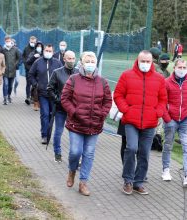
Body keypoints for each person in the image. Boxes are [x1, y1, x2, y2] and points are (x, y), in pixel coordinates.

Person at [114, 50, 167, 195]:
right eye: (142, 61)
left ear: (152, 62)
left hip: (150, 123)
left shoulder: (159, 79)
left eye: (148, 61)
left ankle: (138, 182)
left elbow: (163, 99)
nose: (145, 64)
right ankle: (128, 181)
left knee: (144, 153)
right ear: (137, 61)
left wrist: (158, 113)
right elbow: (118, 95)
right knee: (131, 148)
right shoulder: (126, 75)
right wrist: (126, 109)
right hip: (130, 121)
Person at [61, 51, 112, 196]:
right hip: (76, 123)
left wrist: (102, 114)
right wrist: (75, 112)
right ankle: (72, 170)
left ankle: (83, 182)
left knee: (89, 153)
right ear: (81, 63)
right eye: (87, 61)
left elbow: (108, 101)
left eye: (92, 61)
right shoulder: (73, 79)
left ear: (96, 63)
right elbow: (65, 99)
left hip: (94, 124)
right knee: (75, 151)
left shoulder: (103, 82)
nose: (90, 64)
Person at [29, 44, 62, 144]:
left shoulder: (57, 63)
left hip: (54, 94)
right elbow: (31, 74)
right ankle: (44, 135)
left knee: (52, 115)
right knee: (45, 114)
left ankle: (49, 133)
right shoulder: (38, 62)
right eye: (46, 50)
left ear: (53, 52)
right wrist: (36, 84)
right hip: (42, 93)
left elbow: (62, 75)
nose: (48, 52)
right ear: (43, 51)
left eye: (50, 51)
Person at [161, 59, 187, 186]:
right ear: (174, 68)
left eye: (184, 67)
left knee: (186, 147)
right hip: (171, 120)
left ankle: (186, 174)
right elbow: (161, 102)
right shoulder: (166, 82)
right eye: (180, 67)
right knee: (168, 145)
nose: (182, 70)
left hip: (185, 120)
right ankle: (166, 170)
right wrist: (168, 119)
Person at [47, 50, 76, 162]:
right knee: (58, 131)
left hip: (74, 109)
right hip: (60, 108)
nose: (72, 61)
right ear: (64, 59)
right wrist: (58, 100)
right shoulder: (57, 72)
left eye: (73, 58)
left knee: (74, 134)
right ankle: (57, 153)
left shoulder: (78, 73)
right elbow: (49, 89)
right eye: (69, 58)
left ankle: (75, 156)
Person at [2, 36, 20, 105]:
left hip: (13, 70)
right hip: (5, 71)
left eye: (9, 41)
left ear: (11, 41)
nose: (8, 42)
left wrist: (15, 64)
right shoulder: (3, 50)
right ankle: (5, 98)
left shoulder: (15, 49)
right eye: (6, 41)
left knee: (10, 86)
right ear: (5, 42)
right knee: (5, 84)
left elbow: (19, 57)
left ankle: (9, 95)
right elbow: (1, 58)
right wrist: (3, 66)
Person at [26, 41, 44, 110]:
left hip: (42, 73)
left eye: (40, 46)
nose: (39, 48)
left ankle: (39, 102)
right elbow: (28, 61)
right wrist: (33, 57)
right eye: (38, 46)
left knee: (41, 88)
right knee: (35, 87)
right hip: (34, 73)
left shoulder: (44, 54)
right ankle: (35, 102)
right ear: (36, 47)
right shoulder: (32, 53)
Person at [22, 36, 37, 105]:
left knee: (34, 84)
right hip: (28, 69)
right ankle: (27, 97)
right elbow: (24, 58)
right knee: (28, 84)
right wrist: (26, 66)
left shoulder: (37, 49)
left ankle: (33, 97)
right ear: (29, 41)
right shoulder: (26, 48)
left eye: (34, 42)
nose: (32, 43)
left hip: (36, 70)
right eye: (31, 42)